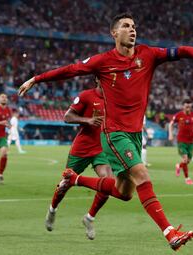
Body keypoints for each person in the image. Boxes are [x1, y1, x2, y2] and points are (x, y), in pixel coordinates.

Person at [19, 13, 193, 251]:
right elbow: (71, 70)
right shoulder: (103, 61)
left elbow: (179, 51)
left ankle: (73, 179)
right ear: (114, 33)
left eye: (134, 26)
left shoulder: (148, 54)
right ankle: (170, 233)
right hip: (114, 133)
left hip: (135, 135)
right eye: (126, 26)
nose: (132, 30)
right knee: (143, 176)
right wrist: (36, 79)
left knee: (124, 192)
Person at [45, 77, 112, 240]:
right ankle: (52, 210)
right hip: (81, 148)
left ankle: (89, 218)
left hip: (101, 149)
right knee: (65, 184)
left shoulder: (114, 97)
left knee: (108, 183)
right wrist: (87, 120)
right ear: (97, 79)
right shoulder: (86, 96)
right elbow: (67, 117)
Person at [168, 99, 193, 185]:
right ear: (183, 107)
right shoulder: (178, 115)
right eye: (186, 106)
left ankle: (179, 166)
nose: (188, 108)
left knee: (187, 161)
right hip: (181, 141)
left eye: (189, 106)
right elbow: (170, 124)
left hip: (191, 141)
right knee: (185, 159)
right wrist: (170, 134)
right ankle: (187, 178)